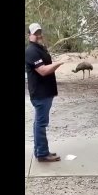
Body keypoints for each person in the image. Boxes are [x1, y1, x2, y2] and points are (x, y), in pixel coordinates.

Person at [25, 23, 69, 162]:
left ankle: (39, 151)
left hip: (45, 92)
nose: (38, 34)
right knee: (41, 123)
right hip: (40, 93)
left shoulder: (39, 48)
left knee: (38, 122)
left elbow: (47, 67)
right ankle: (43, 154)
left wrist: (55, 63)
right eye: (35, 33)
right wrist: (60, 62)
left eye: (39, 32)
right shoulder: (31, 51)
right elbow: (43, 71)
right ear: (29, 35)